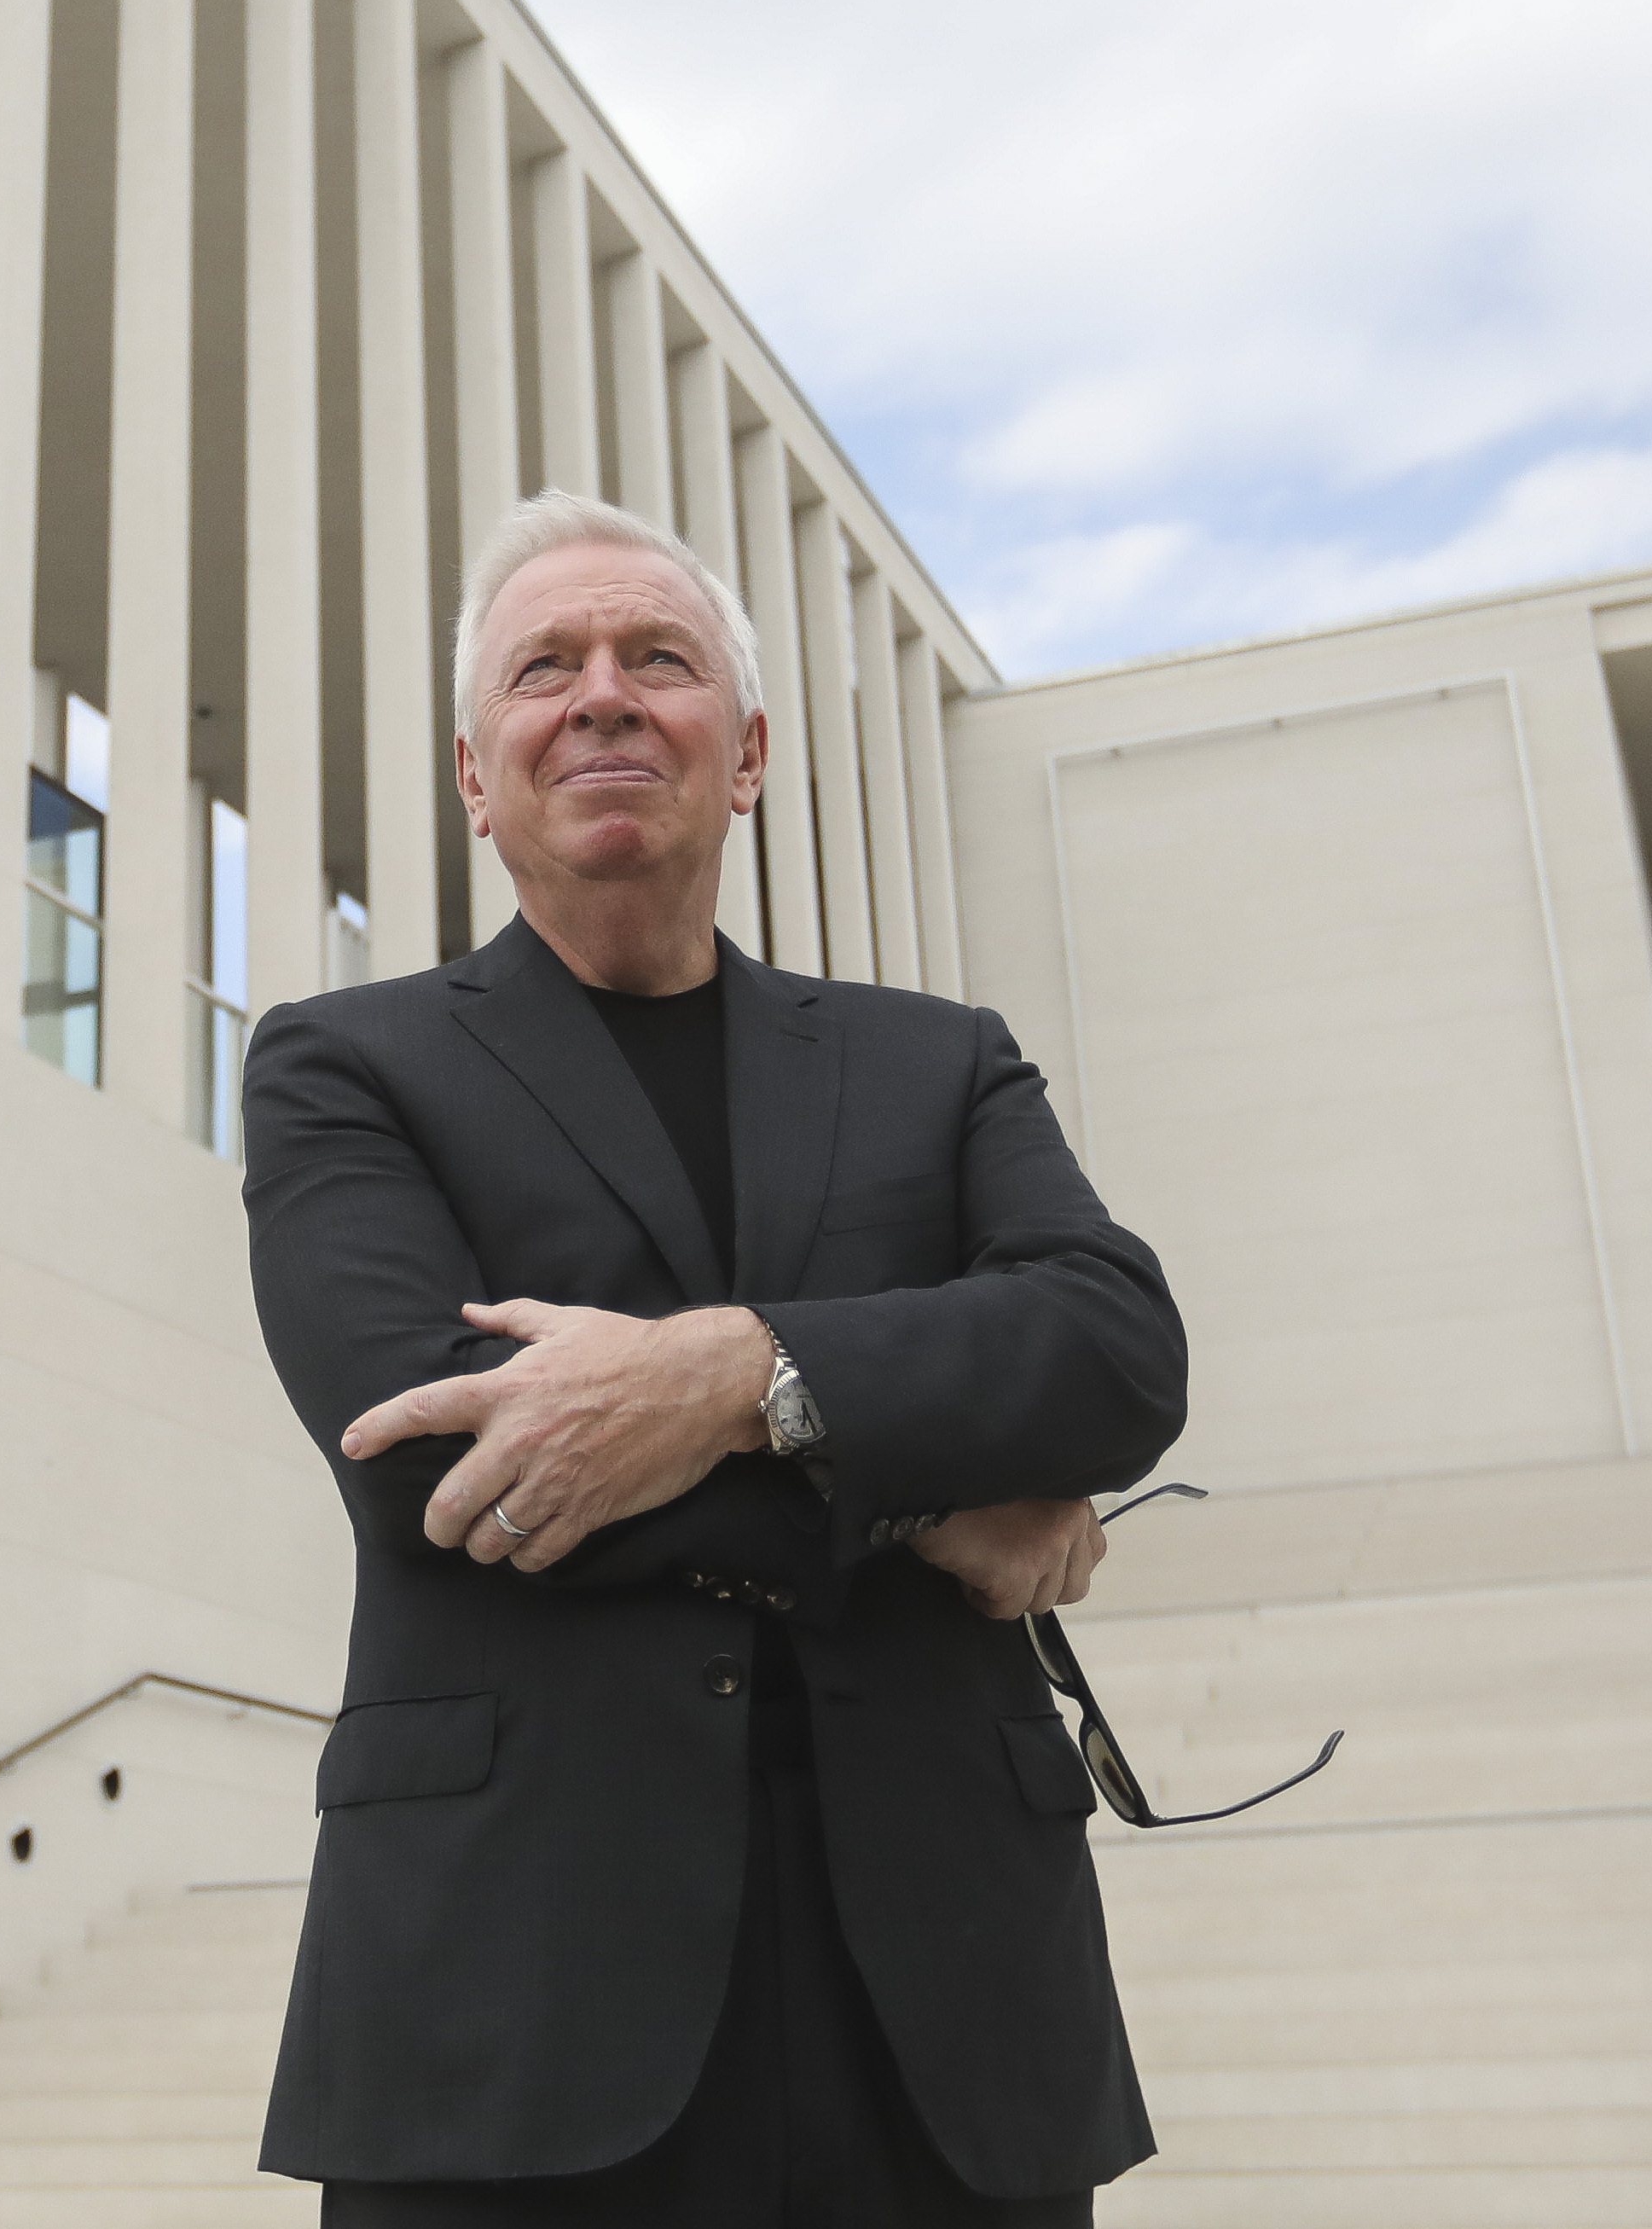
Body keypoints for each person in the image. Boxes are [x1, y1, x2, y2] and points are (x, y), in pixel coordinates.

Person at [239, 488, 1189, 2222]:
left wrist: (734, 1375)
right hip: (516, 2002)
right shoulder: (343, 1067)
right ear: (477, 773)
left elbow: (1114, 1350)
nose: (601, 692)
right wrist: (910, 1503)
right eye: (546, 665)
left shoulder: (938, 1064)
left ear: (742, 754)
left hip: (950, 2009)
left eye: (654, 658)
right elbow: (430, 1462)